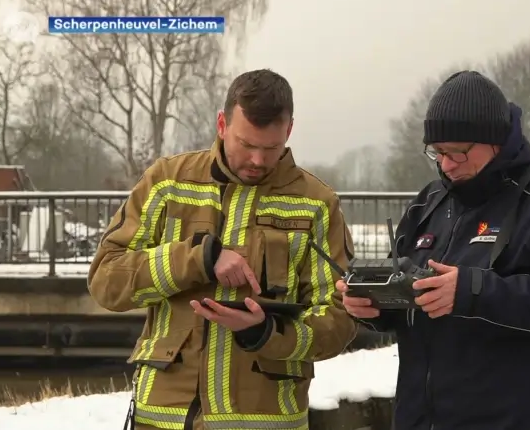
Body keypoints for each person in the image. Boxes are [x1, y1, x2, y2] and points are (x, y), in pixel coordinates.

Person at [337, 70, 530, 430]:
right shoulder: (427, 204)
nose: (447, 166)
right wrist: (375, 307)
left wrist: (473, 291)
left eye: (459, 153)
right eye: (438, 153)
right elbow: (410, 301)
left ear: (495, 140)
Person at [88, 69, 358, 430]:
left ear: (289, 131)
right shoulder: (167, 182)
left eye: (271, 148)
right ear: (221, 124)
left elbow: (339, 318)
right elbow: (107, 281)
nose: (258, 161)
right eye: (246, 145)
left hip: (266, 421)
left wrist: (266, 333)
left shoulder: (316, 204)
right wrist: (199, 258)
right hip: (162, 419)